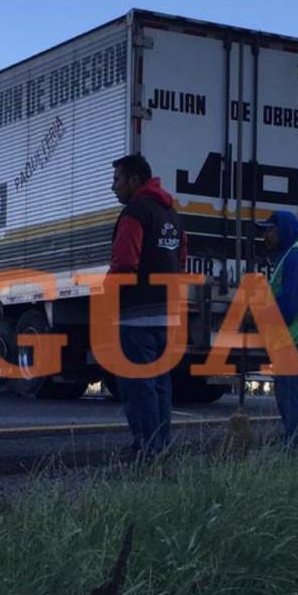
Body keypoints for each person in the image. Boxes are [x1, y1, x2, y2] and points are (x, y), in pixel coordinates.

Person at [108, 153, 187, 460]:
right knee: (160, 386)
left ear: (134, 180)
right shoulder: (172, 214)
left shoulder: (135, 213)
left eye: (117, 180)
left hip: (135, 315)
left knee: (137, 386)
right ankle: (161, 447)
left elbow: (124, 263)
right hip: (166, 316)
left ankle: (145, 451)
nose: (113, 187)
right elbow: (181, 259)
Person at [259, 210, 298, 448]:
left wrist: (259, 316)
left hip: (294, 343)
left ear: (284, 230)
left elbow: (290, 306)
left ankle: (294, 454)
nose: (265, 235)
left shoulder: (294, 260)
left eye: (270, 229)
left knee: (293, 404)